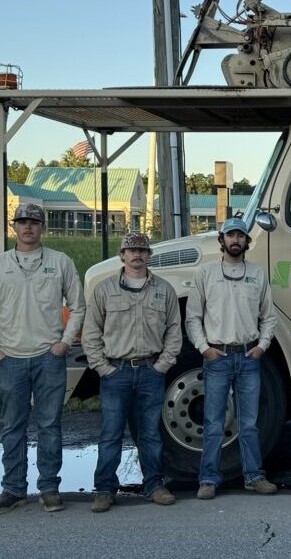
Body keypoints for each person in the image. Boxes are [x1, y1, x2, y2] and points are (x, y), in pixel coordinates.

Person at [83, 232, 181, 512]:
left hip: (151, 370)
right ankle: (104, 488)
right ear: (122, 256)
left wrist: (162, 364)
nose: (137, 255)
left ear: (149, 256)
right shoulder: (104, 290)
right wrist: (104, 368)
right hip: (117, 373)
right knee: (111, 433)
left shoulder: (164, 290)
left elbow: (175, 329)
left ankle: (154, 485)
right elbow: (91, 333)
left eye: (142, 250)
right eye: (131, 250)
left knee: (150, 433)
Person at [0, 203, 85, 514]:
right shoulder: (2, 264)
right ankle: (13, 489)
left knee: (50, 424)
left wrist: (65, 342)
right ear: (14, 227)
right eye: (22, 222)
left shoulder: (59, 262)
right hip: (10, 358)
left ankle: (49, 487)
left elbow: (78, 306)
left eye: (34, 222)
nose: (28, 227)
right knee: (12, 426)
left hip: (49, 357)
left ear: (43, 227)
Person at [186, 217, 278, 499]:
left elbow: (269, 316)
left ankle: (254, 476)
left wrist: (262, 345)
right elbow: (193, 317)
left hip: (249, 357)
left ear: (247, 242)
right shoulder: (206, 274)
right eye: (230, 236)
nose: (235, 240)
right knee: (213, 423)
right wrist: (204, 348)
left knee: (248, 423)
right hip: (217, 357)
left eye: (240, 236)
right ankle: (208, 480)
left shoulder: (258, 275)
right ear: (221, 241)